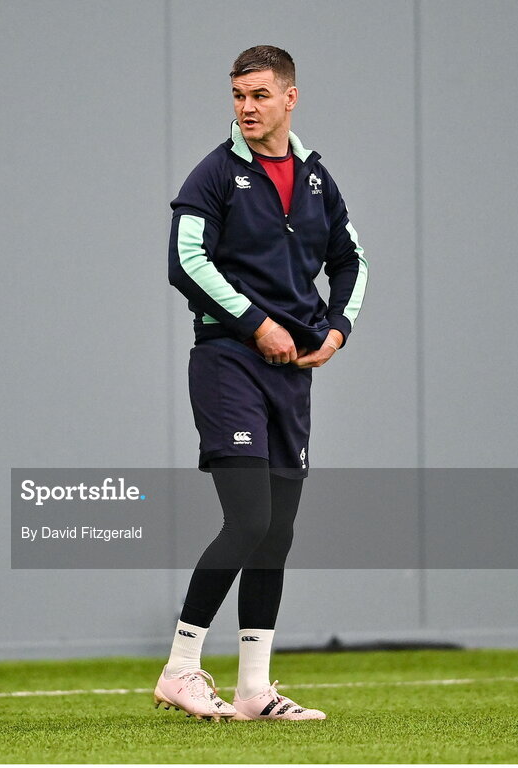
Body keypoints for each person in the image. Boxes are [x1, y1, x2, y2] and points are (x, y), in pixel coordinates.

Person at [156, 45, 367, 722]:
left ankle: (254, 691)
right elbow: (184, 262)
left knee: (276, 532)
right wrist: (254, 323)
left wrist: (335, 331)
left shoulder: (314, 179)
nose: (246, 108)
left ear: (290, 98)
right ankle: (181, 670)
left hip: (292, 378)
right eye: (238, 95)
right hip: (228, 364)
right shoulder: (214, 175)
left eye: (259, 95)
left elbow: (352, 260)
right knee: (247, 519)